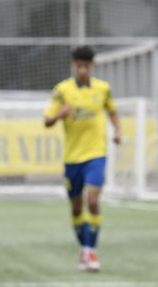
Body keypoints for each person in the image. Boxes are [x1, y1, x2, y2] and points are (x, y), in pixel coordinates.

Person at [44, 45, 121, 272]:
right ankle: (85, 249)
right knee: (77, 207)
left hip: (96, 154)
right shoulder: (62, 91)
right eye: (79, 66)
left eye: (86, 66)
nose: (83, 70)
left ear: (93, 66)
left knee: (93, 199)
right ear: (73, 65)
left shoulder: (103, 89)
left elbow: (112, 111)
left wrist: (118, 131)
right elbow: (46, 122)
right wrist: (60, 114)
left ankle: (91, 251)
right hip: (72, 158)